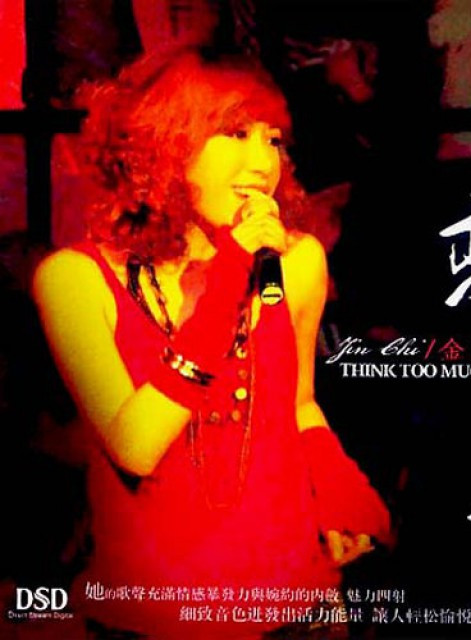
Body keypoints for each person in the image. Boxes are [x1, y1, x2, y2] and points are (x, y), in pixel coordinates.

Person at [31, 48, 390, 639]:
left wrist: (337, 487)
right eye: (236, 134)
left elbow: (298, 404)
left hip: (297, 611)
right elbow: (135, 447)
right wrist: (228, 281)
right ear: (161, 144)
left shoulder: (296, 260)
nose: (262, 163)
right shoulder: (73, 279)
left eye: (272, 139)